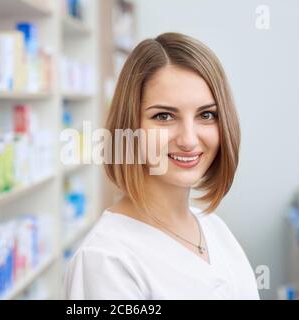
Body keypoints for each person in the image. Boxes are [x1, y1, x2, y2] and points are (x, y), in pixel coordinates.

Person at [64, 32, 259, 299]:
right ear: (130, 126)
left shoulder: (214, 228)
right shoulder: (105, 260)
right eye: (164, 116)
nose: (189, 140)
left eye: (206, 115)